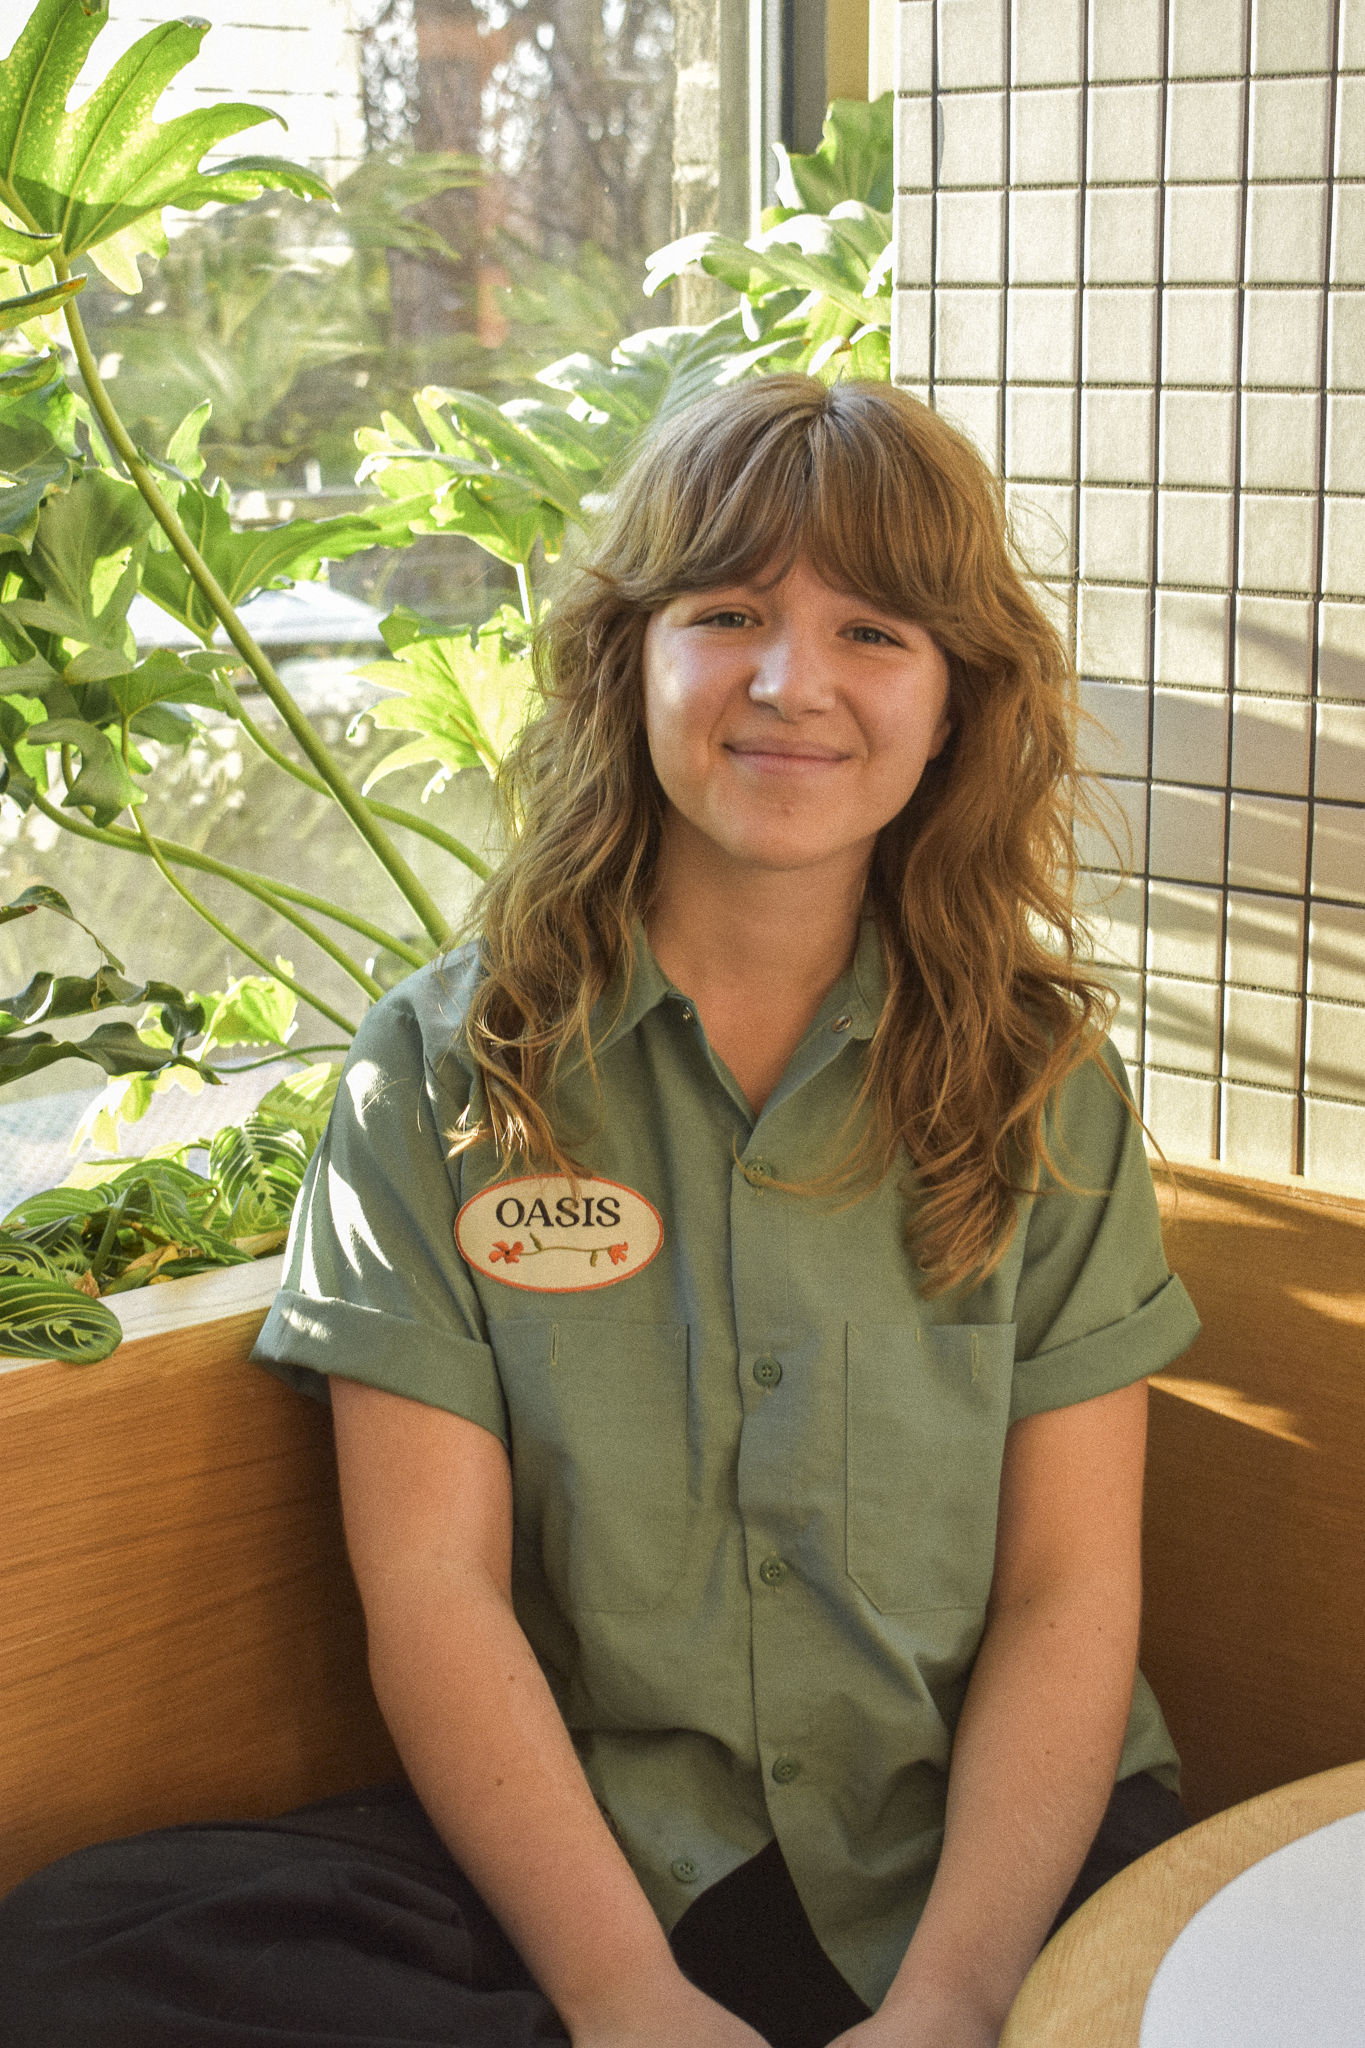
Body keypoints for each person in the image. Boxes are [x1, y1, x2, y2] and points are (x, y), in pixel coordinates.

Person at [0, 376, 1199, 2048]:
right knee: (81, 1952)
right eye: (728, 615)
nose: (793, 684)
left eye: (875, 632)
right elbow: (433, 1585)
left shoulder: (1039, 1085)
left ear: (955, 701)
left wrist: (958, 2003)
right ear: (627, 660)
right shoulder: (442, 1069)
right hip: (607, 1862)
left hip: (978, 1854)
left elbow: (1069, 1595)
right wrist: (627, 2000)